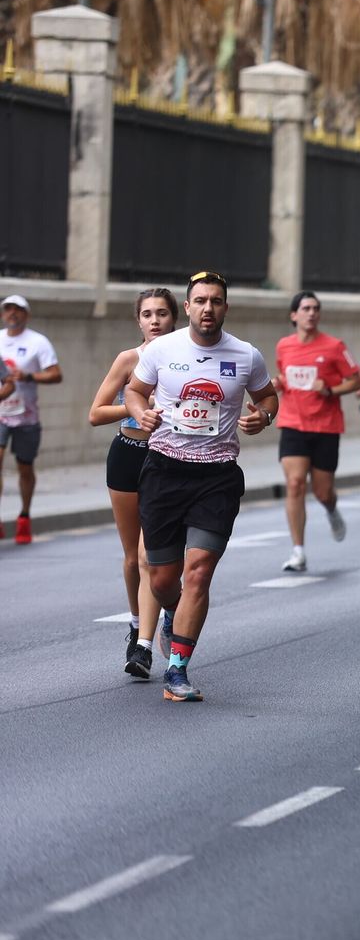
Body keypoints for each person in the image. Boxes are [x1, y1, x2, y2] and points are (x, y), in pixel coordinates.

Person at [124, 272, 277, 702]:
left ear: (225, 307)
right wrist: (141, 411)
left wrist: (263, 417)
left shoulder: (246, 355)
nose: (208, 308)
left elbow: (268, 397)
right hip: (164, 472)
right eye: (201, 301)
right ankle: (173, 611)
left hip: (217, 476)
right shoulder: (162, 349)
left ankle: (177, 670)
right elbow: (135, 391)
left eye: (216, 301)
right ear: (188, 307)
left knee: (199, 571)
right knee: (162, 580)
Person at [88, 288, 178, 679]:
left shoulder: (186, 359)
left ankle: (151, 636)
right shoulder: (129, 360)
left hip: (169, 460)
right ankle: (137, 622)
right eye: (147, 314)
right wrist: (137, 406)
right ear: (138, 320)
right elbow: (95, 413)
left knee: (151, 556)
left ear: (175, 318)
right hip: (127, 455)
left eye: (162, 313)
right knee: (131, 557)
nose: (155, 320)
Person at [274, 291, 360, 572]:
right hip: (293, 423)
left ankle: (331, 509)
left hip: (325, 426)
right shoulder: (284, 346)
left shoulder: (335, 346)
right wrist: (278, 383)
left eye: (315, 308)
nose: (311, 313)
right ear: (294, 315)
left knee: (323, 493)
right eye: (306, 308)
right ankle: (298, 551)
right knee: (295, 483)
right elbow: (286, 376)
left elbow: (356, 381)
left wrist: (330, 390)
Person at [1, 294, 63, 544]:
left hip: (26, 417)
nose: (12, 313)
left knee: (25, 469)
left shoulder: (38, 342)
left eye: (17, 309)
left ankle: (24, 516)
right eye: (8, 309)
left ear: (26, 314)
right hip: (1, 414)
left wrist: (28, 376)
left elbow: (56, 375)